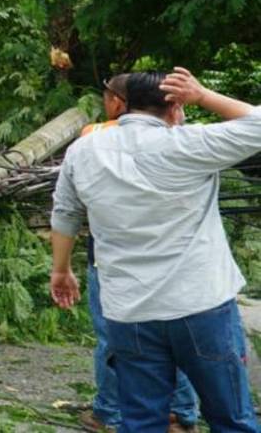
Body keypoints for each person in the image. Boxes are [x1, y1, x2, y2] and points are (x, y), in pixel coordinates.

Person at [50, 68, 261, 433]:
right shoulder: (189, 144)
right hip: (200, 305)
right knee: (231, 419)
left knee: (143, 421)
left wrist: (61, 270)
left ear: (122, 105)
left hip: (129, 310)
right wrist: (204, 95)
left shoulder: (83, 149)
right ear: (175, 107)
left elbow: (65, 213)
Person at [79, 75, 198, 433]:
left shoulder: (95, 137)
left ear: (119, 102)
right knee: (174, 338)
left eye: (107, 97)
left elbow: (72, 204)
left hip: (114, 260)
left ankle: (110, 411)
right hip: (174, 259)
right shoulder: (180, 139)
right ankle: (180, 414)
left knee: (115, 340)